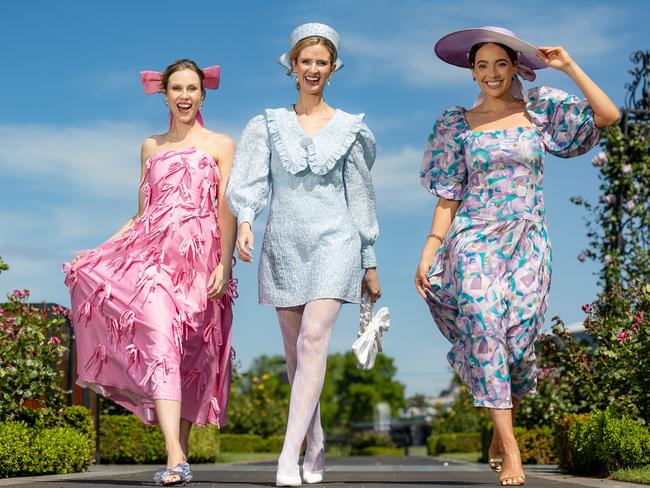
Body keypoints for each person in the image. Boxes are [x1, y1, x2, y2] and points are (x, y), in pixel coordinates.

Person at [414, 27, 619, 486]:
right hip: (473, 239)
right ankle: (510, 446)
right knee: (485, 325)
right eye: (481, 65)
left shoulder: (538, 110)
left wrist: (568, 66)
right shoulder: (456, 123)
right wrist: (429, 250)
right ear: (471, 72)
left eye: (500, 64)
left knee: (519, 342)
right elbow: (447, 197)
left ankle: (497, 423)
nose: (491, 73)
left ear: (514, 68)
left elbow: (607, 116)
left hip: (529, 240)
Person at [63, 59, 237, 486]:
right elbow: (143, 215)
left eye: (191, 88)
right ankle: (175, 456)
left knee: (192, 356)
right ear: (164, 95)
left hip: (201, 265)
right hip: (153, 262)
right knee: (159, 339)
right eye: (175, 88)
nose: (183, 96)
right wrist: (100, 251)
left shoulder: (221, 144)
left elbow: (226, 208)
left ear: (203, 94)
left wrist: (224, 261)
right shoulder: (150, 147)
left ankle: (181, 452)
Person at [226, 22, 381, 487]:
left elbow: (361, 196)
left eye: (322, 61)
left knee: (314, 340)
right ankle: (314, 440)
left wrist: (368, 257)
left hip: (336, 242)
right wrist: (246, 223)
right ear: (292, 65)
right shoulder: (267, 124)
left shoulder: (352, 129)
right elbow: (249, 182)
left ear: (333, 68)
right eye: (305, 60)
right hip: (284, 242)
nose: (313, 68)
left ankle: (287, 456)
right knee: (296, 355)